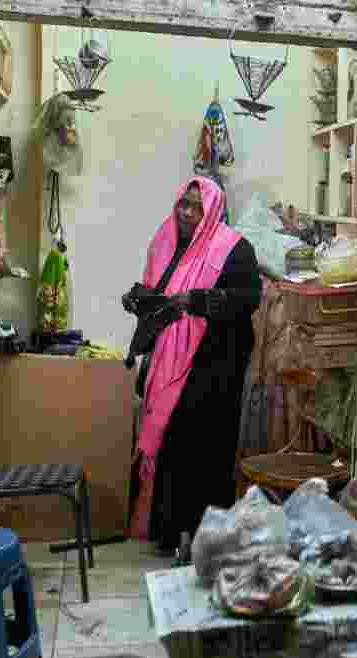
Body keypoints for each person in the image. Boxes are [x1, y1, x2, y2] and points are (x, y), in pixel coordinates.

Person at [125, 176, 262, 556]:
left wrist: (197, 301)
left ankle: (203, 537)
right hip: (169, 362)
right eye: (183, 204)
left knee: (204, 449)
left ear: (212, 210)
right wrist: (139, 299)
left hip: (213, 366)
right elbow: (159, 291)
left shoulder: (233, 248)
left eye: (195, 207)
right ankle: (170, 532)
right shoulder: (167, 241)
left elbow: (248, 298)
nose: (186, 212)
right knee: (171, 443)